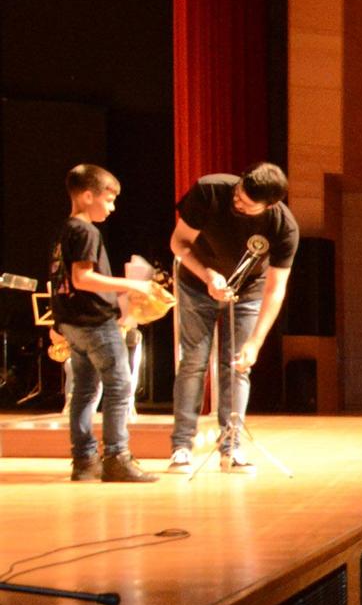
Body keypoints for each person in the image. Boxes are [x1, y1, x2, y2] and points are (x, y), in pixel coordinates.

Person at [164, 163, 299, 474]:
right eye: (239, 194)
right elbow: (178, 243)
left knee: (238, 364)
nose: (237, 202)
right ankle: (182, 447)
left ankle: (232, 447)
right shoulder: (210, 190)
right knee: (193, 362)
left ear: (270, 205)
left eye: (247, 204)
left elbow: (276, 290)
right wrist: (207, 275)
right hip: (197, 282)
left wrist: (256, 342)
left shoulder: (284, 227)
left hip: (249, 290)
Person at [47, 166, 159, 483]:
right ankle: (117, 457)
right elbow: (82, 278)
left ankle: (84, 461)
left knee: (83, 390)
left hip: (72, 323)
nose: (111, 208)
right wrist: (132, 285)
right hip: (95, 323)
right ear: (87, 196)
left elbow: (61, 281)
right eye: (108, 200)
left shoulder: (62, 231)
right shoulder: (86, 231)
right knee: (119, 387)